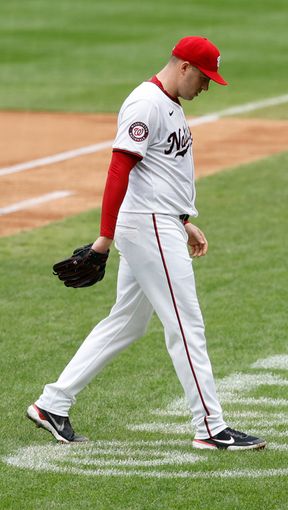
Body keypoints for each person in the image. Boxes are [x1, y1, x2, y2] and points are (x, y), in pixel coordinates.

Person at [26, 36, 266, 451]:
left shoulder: (170, 105)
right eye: (205, 78)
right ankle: (210, 426)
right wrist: (103, 239)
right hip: (148, 227)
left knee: (128, 322)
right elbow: (119, 169)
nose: (206, 87)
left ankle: (52, 404)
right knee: (187, 326)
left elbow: (161, 173)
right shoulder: (146, 103)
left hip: (160, 223)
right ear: (184, 66)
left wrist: (183, 221)